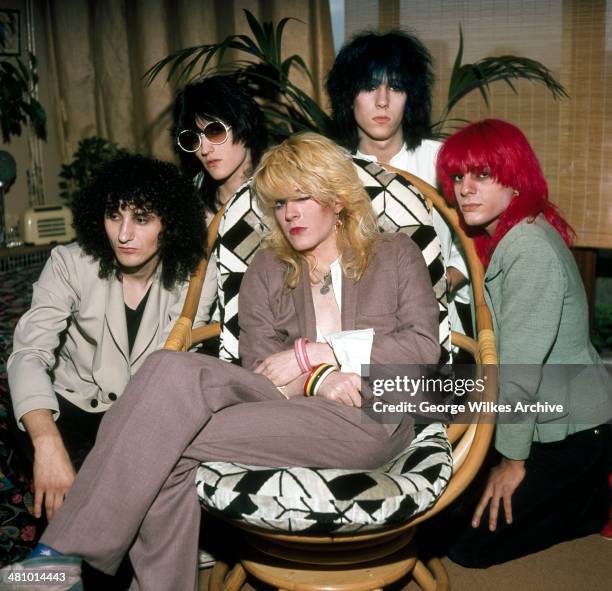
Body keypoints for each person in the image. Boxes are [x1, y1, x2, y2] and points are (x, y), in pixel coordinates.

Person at [1, 133, 442, 590]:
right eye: (279, 203)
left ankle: (61, 557)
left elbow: (423, 350)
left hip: (370, 418)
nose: (289, 214)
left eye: (303, 198)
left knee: (158, 437)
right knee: (167, 375)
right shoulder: (268, 269)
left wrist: (319, 353)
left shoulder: (395, 255)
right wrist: (315, 382)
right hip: (286, 410)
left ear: (337, 200)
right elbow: (260, 369)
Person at [435, 119, 612, 566]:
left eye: (483, 175)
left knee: (465, 547)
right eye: (458, 177)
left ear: (516, 181)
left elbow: (518, 370)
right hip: (542, 419)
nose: (465, 190)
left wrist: (511, 462)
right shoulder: (509, 237)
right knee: (443, 515)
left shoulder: (528, 247)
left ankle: (594, 502)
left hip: (573, 431)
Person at [7, 155, 209, 523]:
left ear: (171, 223)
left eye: (142, 219)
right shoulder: (69, 263)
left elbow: (179, 377)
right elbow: (28, 354)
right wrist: (46, 440)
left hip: (143, 412)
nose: (124, 234)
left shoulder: (193, 278)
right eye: (114, 216)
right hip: (68, 407)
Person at [326, 30, 472, 349]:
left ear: (411, 97)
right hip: (347, 330)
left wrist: (448, 277)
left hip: (440, 328)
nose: (382, 100)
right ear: (348, 97)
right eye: (368, 87)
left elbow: (480, 234)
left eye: (395, 86)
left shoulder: (442, 160)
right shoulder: (330, 170)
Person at [173, 75, 269, 362]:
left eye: (214, 132)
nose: (205, 149)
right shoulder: (187, 203)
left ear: (244, 125)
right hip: (201, 344)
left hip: (272, 341)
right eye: (194, 138)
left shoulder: (284, 192)